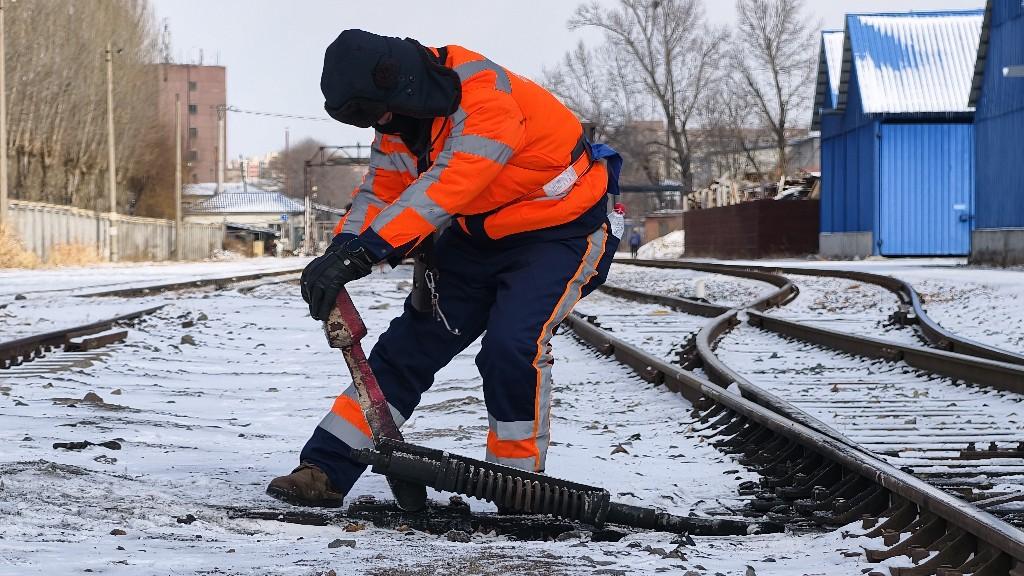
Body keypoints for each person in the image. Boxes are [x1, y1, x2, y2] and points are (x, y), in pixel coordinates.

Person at [266, 29, 622, 507]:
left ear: (406, 86)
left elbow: (447, 187)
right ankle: (325, 469)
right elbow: (381, 192)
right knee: (406, 349)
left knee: (511, 346)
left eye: (385, 114)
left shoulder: (487, 100)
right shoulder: (399, 123)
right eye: (377, 119)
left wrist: (367, 252)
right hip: (476, 242)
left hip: (560, 235)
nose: (385, 124)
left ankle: (518, 490)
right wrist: (341, 250)